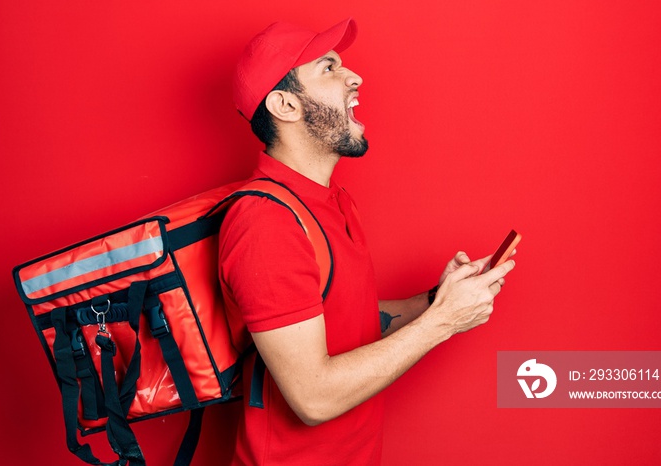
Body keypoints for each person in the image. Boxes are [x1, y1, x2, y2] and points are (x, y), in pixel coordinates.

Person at [219, 17, 515, 466]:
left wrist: (439, 298)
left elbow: (352, 324)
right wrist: (445, 322)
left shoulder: (335, 201)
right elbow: (313, 398)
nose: (354, 76)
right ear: (284, 105)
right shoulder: (266, 223)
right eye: (328, 67)